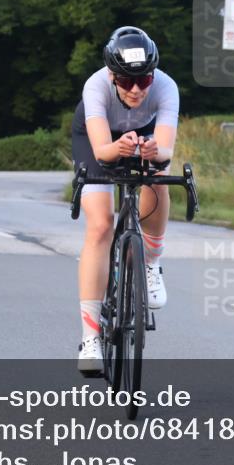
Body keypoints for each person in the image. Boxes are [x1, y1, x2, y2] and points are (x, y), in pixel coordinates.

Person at [72, 26, 179, 374]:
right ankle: (90, 338)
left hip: (145, 135)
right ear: (111, 75)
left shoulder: (166, 87)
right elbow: (103, 150)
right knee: (101, 225)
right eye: (125, 80)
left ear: (153, 76)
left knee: (158, 176)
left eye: (143, 81)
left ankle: (150, 263)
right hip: (98, 141)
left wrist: (153, 152)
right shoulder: (96, 86)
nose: (135, 89)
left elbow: (166, 149)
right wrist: (117, 149)